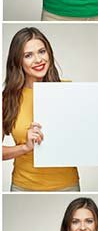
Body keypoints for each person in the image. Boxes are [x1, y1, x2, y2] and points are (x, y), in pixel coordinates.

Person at [2, 27, 80, 193]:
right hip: (23, 187)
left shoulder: (69, 91)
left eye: (42, 51)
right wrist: (25, 147)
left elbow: (87, 136)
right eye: (28, 55)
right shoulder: (7, 98)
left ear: (49, 53)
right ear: (18, 61)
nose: (38, 59)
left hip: (66, 186)